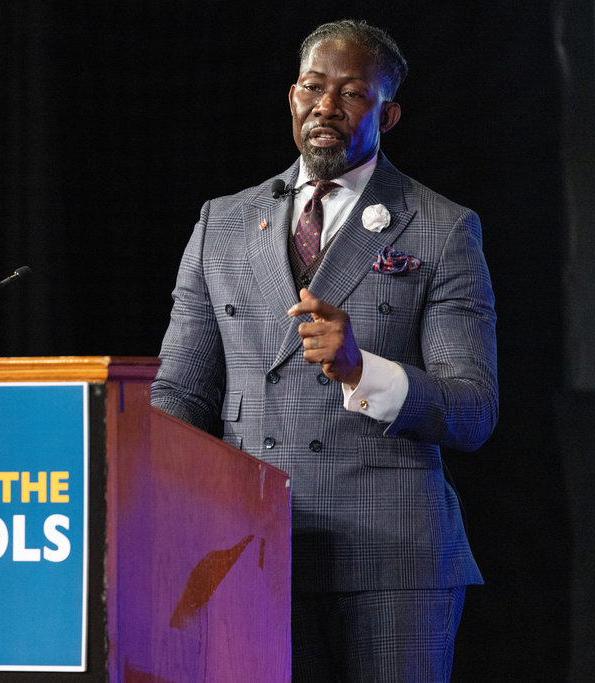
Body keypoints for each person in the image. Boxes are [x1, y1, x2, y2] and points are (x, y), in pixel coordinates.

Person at [150, 19, 497, 682]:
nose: (326, 106)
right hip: (252, 545)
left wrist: (361, 370)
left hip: (393, 555)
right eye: (314, 87)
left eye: (352, 93)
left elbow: (473, 409)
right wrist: (145, 482)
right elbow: (182, 393)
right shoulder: (220, 224)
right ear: (292, 97)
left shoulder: (442, 226)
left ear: (387, 114)